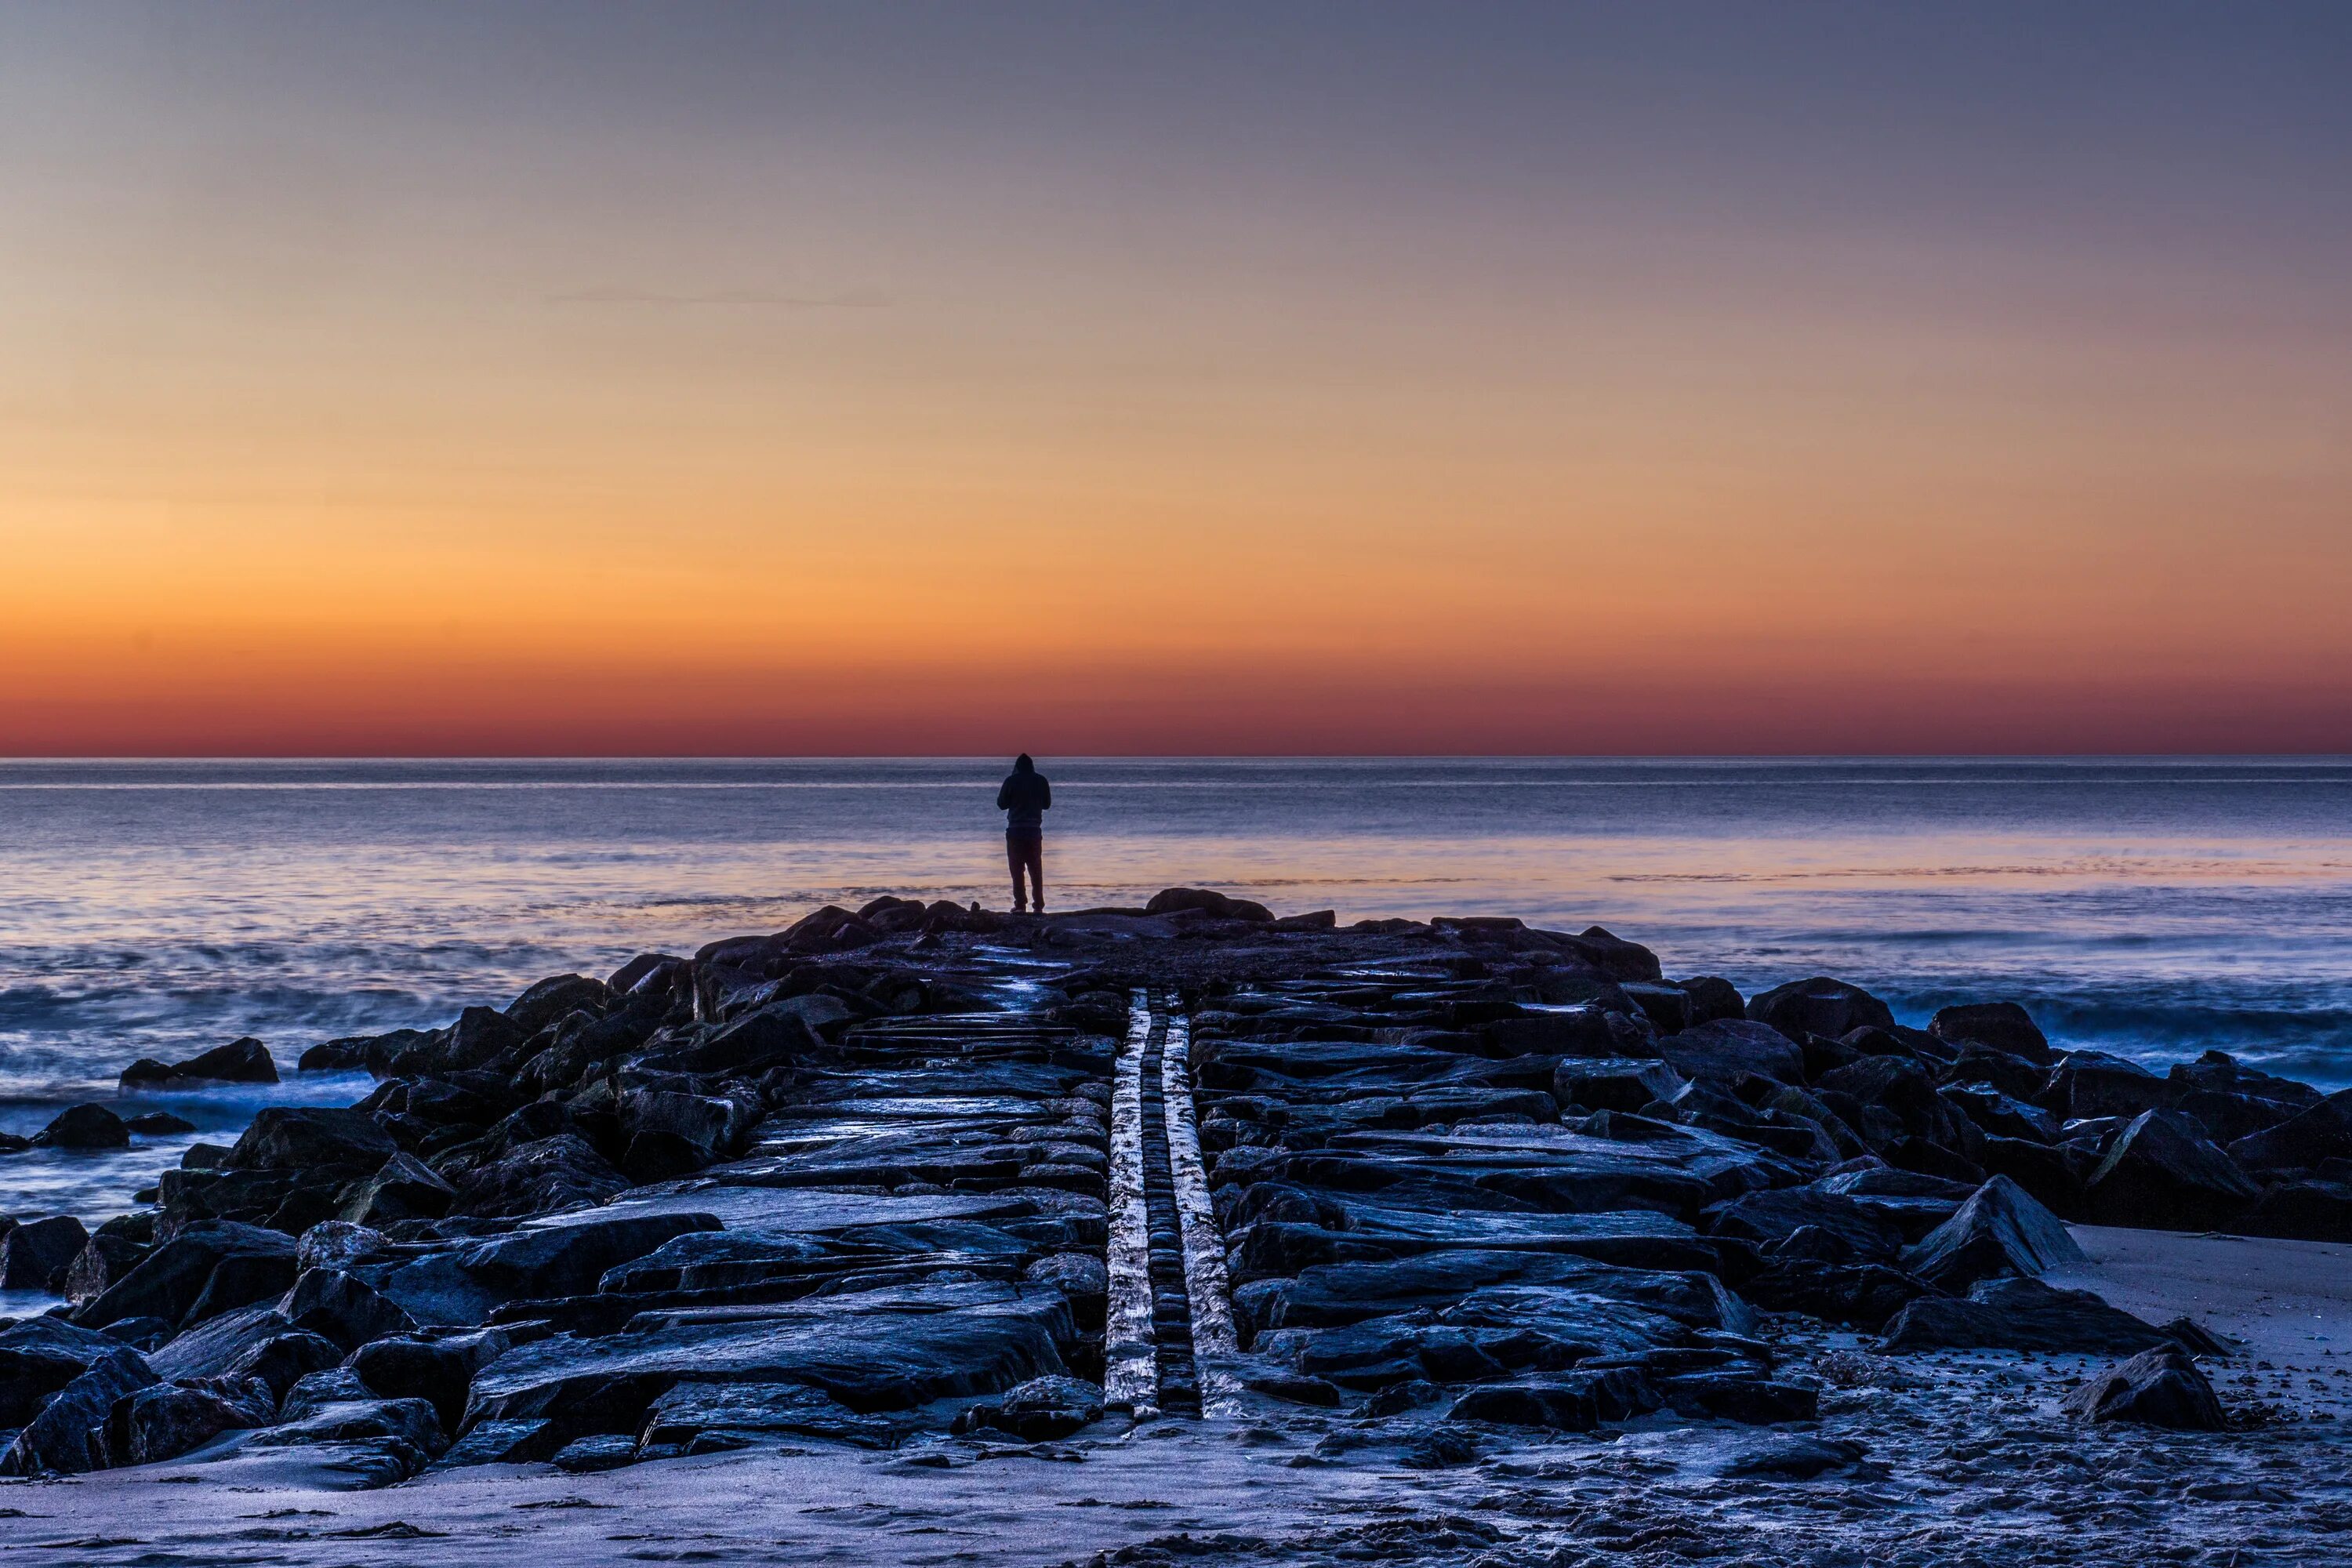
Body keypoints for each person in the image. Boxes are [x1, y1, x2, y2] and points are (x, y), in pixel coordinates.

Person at [996, 753, 1051, 913]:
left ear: (1017, 767)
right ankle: (1038, 905)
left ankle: (1020, 904)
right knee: (1036, 869)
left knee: (1017, 869)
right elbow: (1047, 805)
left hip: (1015, 830)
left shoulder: (1011, 781)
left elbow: (1001, 804)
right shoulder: (1041, 780)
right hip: (1034, 830)